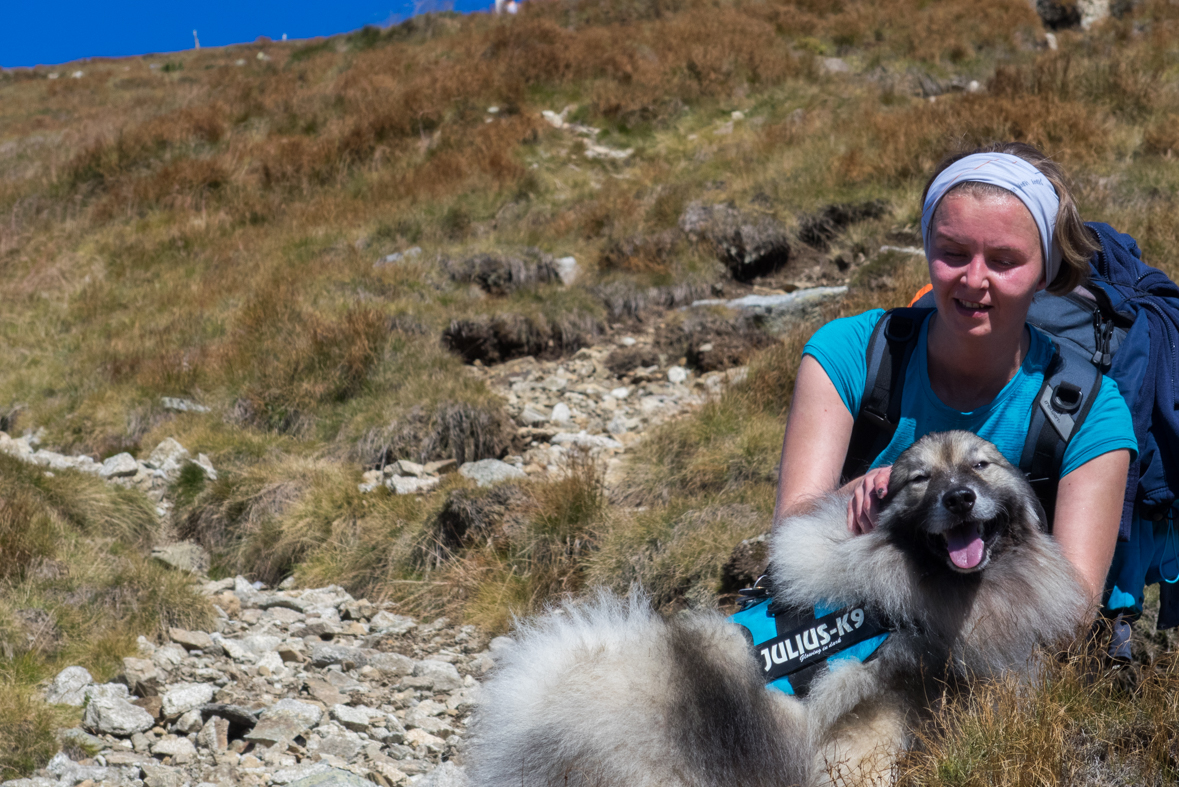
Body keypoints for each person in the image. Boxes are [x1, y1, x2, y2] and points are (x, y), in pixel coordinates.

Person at [772, 142, 1138, 608]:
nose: (973, 279)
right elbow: (791, 530)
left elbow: (1075, 610)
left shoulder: (1090, 411)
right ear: (927, 247)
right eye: (953, 252)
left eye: (1004, 260)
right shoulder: (849, 353)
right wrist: (856, 495)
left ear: (1046, 271)